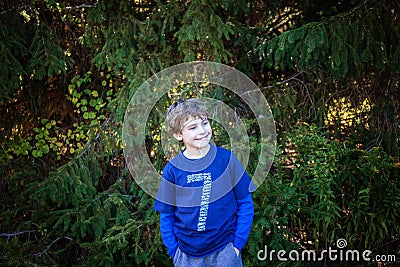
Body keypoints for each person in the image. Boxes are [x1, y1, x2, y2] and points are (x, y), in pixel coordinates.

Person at [153, 97, 255, 267]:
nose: (202, 131)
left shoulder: (226, 160)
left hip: (225, 250)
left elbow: (245, 202)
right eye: (193, 127)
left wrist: (237, 245)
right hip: (187, 255)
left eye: (205, 123)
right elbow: (166, 214)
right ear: (179, 135)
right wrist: (174, 251)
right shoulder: (173, 170)